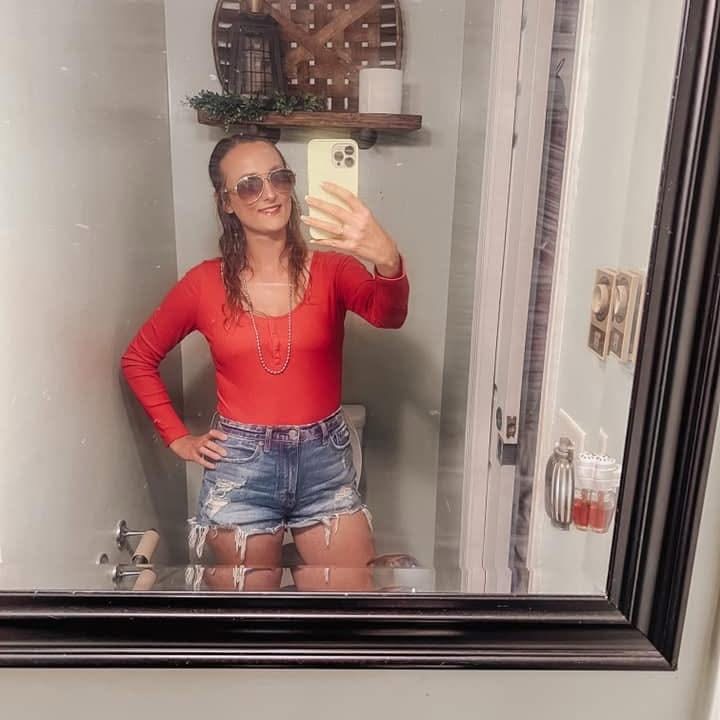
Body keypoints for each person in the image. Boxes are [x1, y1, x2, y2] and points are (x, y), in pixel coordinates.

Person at [120, 135, 409, 591]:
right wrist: (178, 439)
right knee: (248, 615)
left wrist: (388, 260)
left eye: (279, 178)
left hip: (324, 464)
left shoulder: (333, 270)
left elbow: (388, 316)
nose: (270, 193)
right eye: (250, 185)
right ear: (226, 201)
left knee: (349, 603)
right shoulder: (203, 284)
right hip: (241, 468)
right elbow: (138, 359)